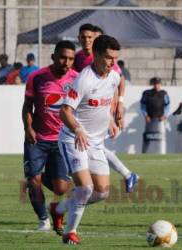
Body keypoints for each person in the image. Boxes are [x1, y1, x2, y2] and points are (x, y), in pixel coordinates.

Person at [57, 35, 121, 245]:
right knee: (86, 188)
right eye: (109, 58)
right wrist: (77, 129)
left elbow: (114, 92)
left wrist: (111, 116)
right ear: (96, 55)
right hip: (73, 139)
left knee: (102, 192)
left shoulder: (113, 76)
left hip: (95, 142)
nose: (113, 63)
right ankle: (69, 233)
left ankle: (59, 208)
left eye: (116, 58)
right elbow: (65, 111)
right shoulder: (84, 79)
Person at [73, 23, 138, 192]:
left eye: (90, 37)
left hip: (99, 111)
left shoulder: (106, 59)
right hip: (82, 110)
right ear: (78, 38)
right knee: (95, 146)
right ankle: (127, 174)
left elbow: (117, 81)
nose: (87, 40)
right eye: (84, 37)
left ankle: (125, 175)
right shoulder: (78, 57)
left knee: (95, 146)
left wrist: (117, 109)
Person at [22, 40, 78, 232]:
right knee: (33, 180)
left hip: (62, 140)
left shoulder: (77, 79)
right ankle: (43, 220)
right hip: (37, 139)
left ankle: (37, 177)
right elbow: (28, 106)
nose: (67, 62)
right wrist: (28, 128)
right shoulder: (36, 77)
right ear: (53, 57)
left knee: (61, 188)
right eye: (63, 57)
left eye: (71, 59)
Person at [140, 77, 170, 153]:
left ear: (160, 84)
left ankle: (160, 152)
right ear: (153, 84)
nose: (157, 85)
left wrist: (165, 115)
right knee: (148, 137)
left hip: (160, 120)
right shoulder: (147, 93)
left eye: (158, 84)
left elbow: (167, 106)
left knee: (160, 137)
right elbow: (143, 106)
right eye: (155, 84)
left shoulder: (164, 94)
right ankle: (145, 152)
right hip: (149, 119)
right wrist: (145, 115)